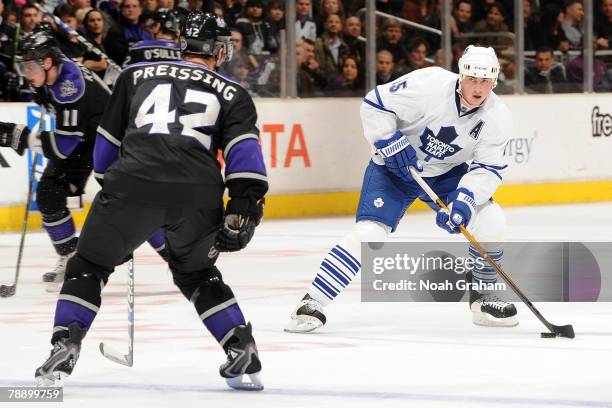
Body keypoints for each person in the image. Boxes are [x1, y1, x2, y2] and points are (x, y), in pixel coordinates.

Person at [33, 11, 268, 391]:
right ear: (218, 50)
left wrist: (119, 205)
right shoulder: (234, 93)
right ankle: (240, 346)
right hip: (198, 195)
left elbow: (106, 148)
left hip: (132, 185)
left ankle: (65, 342)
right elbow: (245, 157)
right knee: (198, 275)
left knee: (88, 265)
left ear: (182, 45)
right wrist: (245, 208)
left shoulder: (133, 75)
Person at [285, 45, 517, 333]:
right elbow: (374, 104)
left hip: (445, 175)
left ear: (494, 81)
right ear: (461, 74)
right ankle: (313, 301)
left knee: (492, 222)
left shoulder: (498, 116)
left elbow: (487, 168)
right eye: (472, 79)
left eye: (485, 81)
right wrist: (389, 141)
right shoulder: (429, 84)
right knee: (370, 233)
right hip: (392, 170)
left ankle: (483, 299)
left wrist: (464, 202)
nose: (478, 88)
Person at [0, 30, 111, 289]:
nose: (26, 72)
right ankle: (71, 258)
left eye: (29, 66)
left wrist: (18, 136)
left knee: (130, 202)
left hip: (111, 140)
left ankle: (178, 257)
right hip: (83, 139)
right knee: (50, 193)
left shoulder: (69, 86)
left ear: (48, 62)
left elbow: (62, 148)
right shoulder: (49, 75)